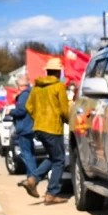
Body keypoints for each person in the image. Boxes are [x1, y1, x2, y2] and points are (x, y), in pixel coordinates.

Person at [22, 58, 69, 205]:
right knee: (60, 160)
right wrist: (70, 121)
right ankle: (51, 193)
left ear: (47, 71)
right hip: (53, 128)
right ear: (58, 71)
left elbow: (29, 107)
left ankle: (33, 180)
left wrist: (39, 118)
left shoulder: (37, 87)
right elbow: (64, 110)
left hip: (39, 128)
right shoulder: (58, 87)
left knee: (54, 157)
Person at [10, 73, 36, 175]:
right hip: (30, 127)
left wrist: (11, 112)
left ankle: (33, 176)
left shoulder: (24, 94)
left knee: (26, 154)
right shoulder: (31, 93)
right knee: (30, 153)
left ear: (20, 85)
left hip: (24, 127)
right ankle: (31, 175)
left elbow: (21, 111)